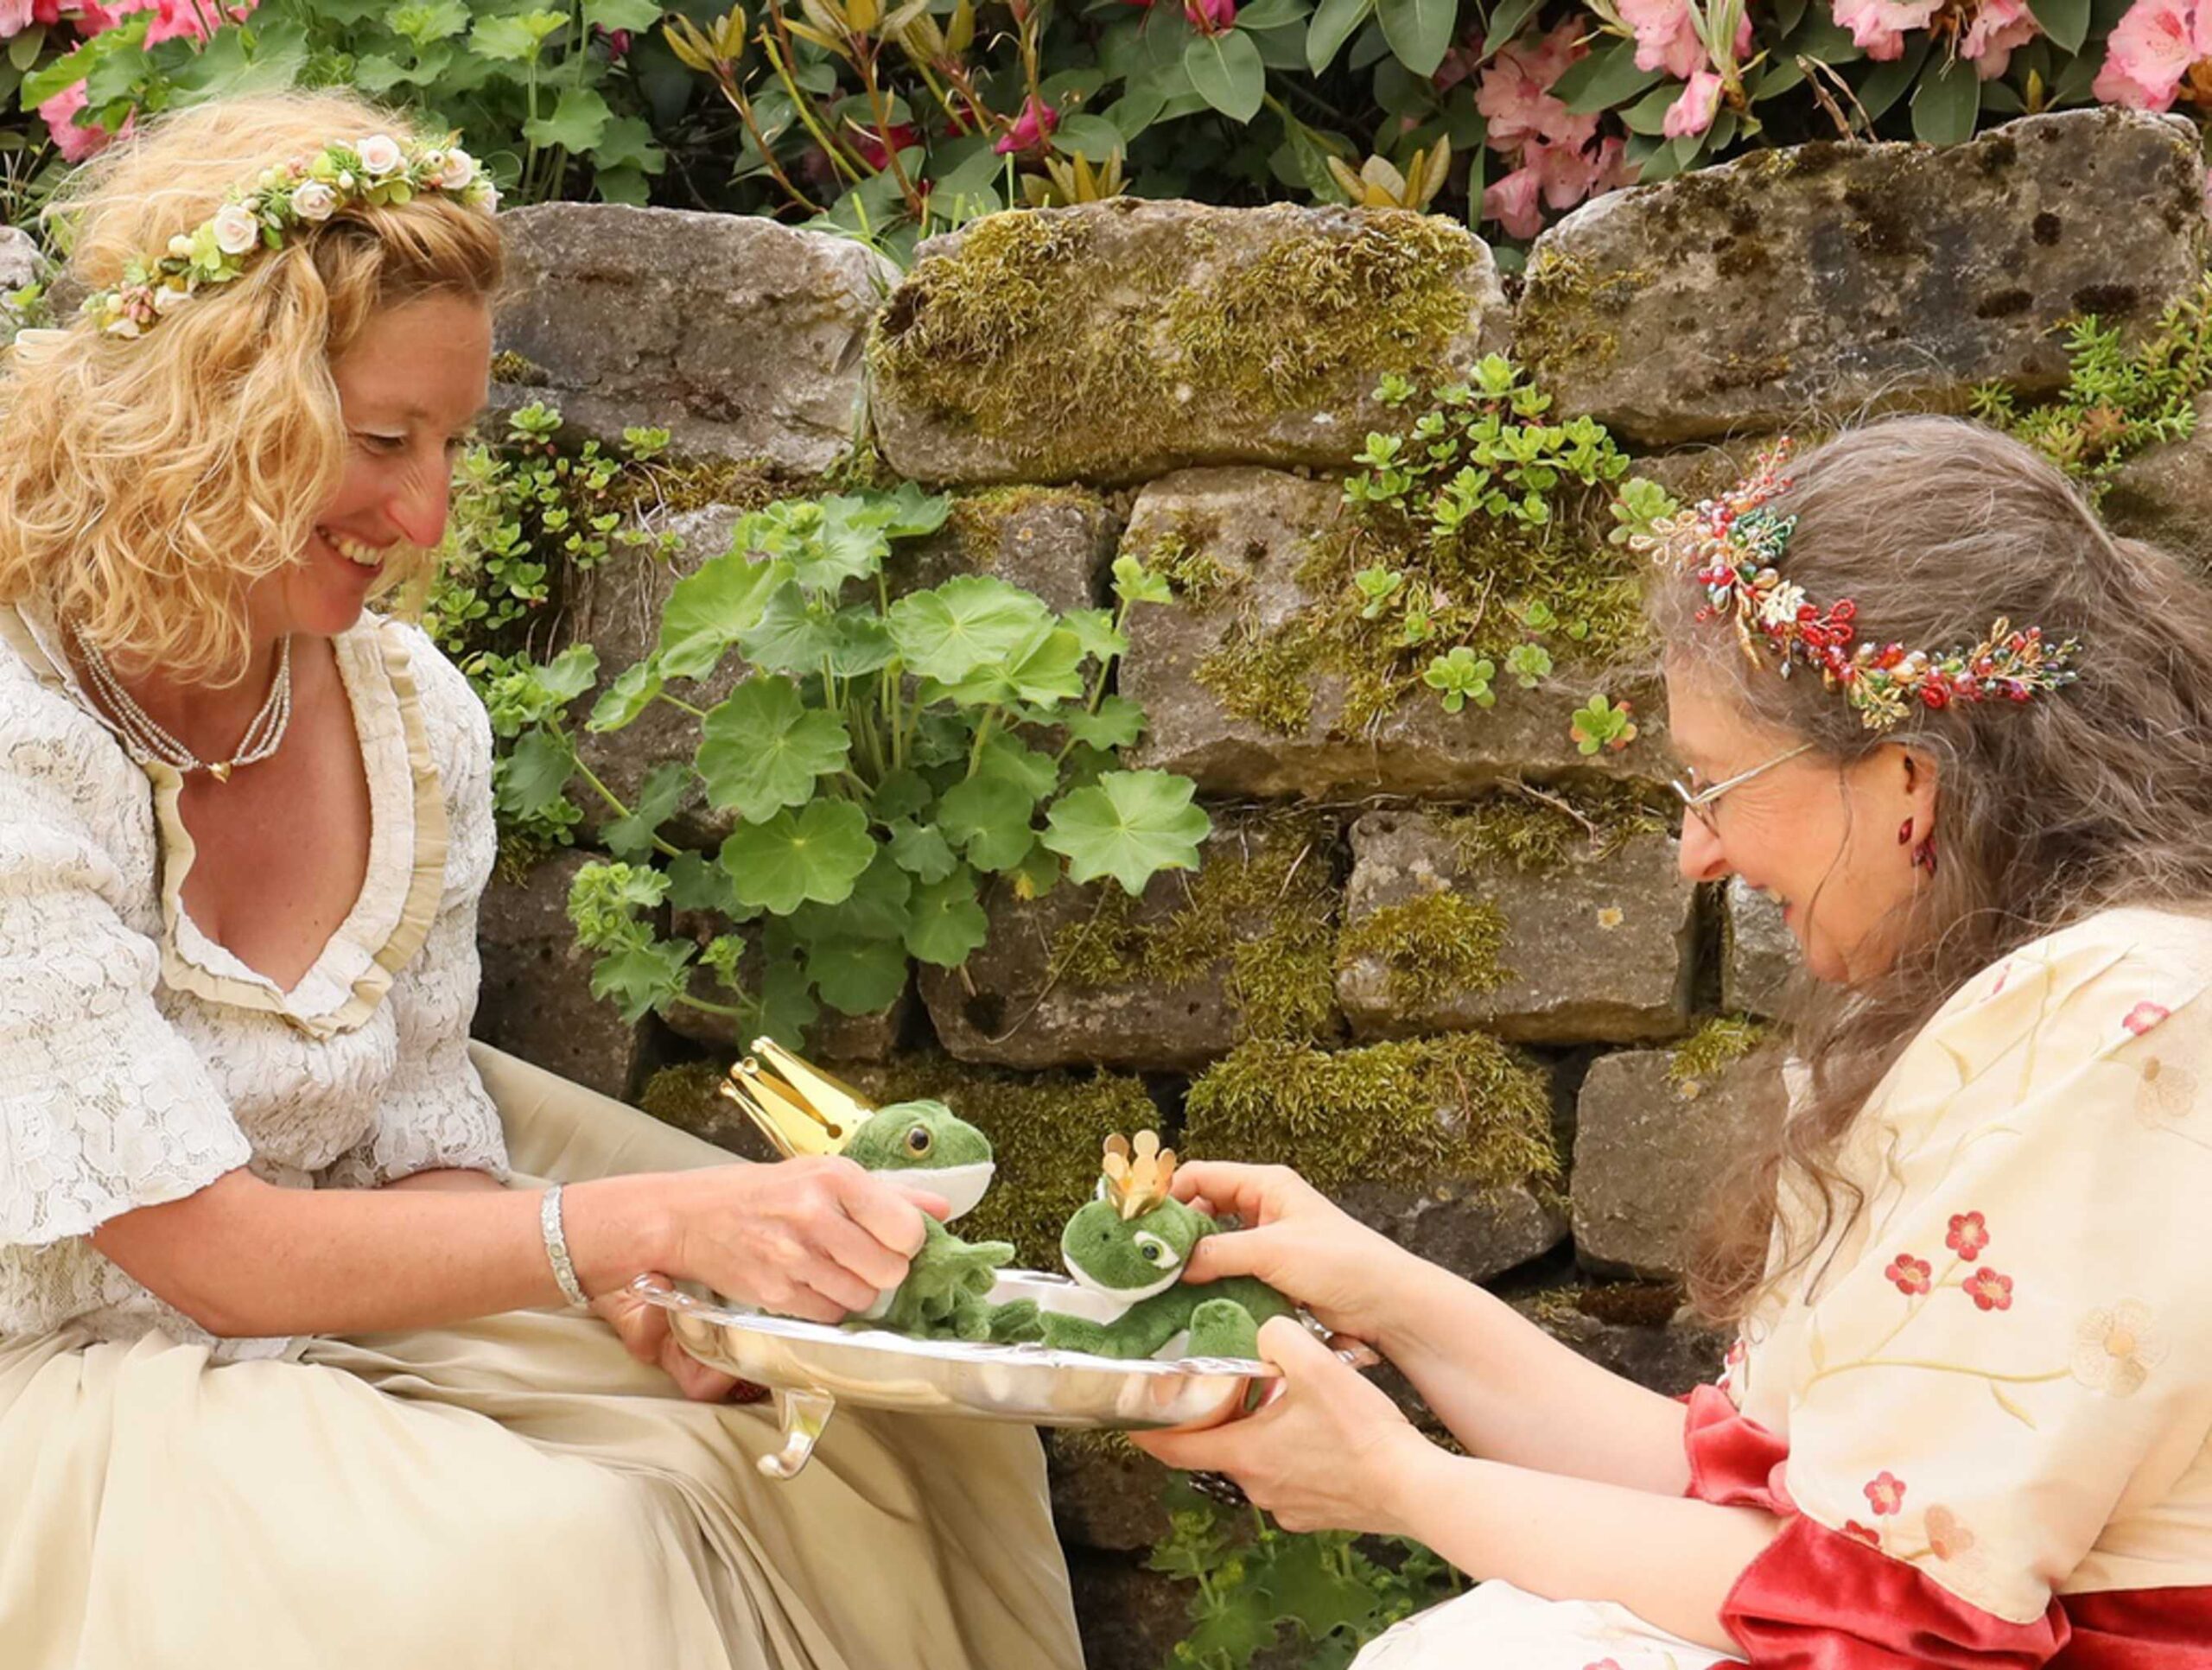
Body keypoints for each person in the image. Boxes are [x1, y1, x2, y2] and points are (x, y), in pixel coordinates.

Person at [0, 91, 1081, 1670]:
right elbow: (214, 1251)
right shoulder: (23, 739)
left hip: (315, 1313)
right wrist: (621, 1222)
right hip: (54, 1378)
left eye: (450, 443)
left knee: (866, 1429)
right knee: (551, 1557)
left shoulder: (406, 714)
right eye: (380, 442)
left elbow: (421, 1148)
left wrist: (643, 1289)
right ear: (205, 410)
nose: (426, 512)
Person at [1135, 417, 2212, 1664]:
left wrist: (1396, 1485)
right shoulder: (2034, 994)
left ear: (1909, 780)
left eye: (1716, 783)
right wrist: (1393, 1296)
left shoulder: (2123, 1026)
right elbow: (1737, 1497)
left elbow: (1895, 1617)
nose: (1697, 852)